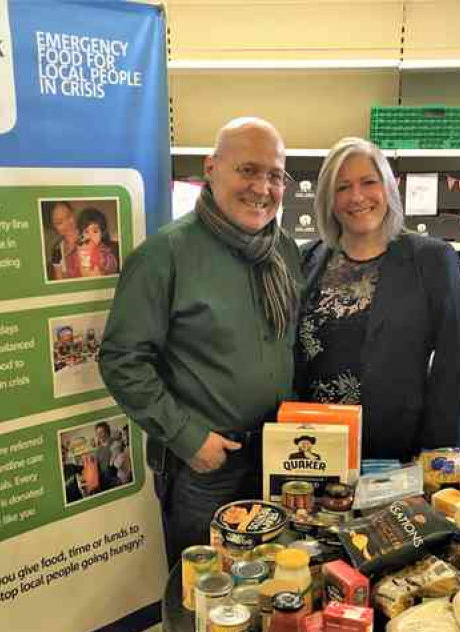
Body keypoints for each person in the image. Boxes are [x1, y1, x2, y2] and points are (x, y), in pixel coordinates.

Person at [99, 116, 302, 569]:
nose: (262, 187)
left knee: (270, 586)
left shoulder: (283, 251)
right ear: (211, 168)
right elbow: (121, 360)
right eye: (247, 170)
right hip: (205, 467)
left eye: (274, 175)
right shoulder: (163, 256)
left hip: (278, 459)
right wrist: (187, 437)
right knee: (203, 599)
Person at [295, 137, 460, 461]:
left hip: (395, 449)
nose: (357, 196)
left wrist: (435, 452)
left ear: (388, 188)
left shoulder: (433, 260)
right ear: (328, 200)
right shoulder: (306, 259)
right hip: (314, 448)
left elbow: (453, 364)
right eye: (342, 187)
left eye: (368, 182)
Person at [73, 207, 120, 277]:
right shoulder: (80, 249)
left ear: (102, 233)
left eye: (95, 231)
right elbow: (74, 269)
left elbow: (113, 266)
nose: (90, 235)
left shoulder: (104, 250)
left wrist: (101, 259)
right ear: (81, 234)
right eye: (86, 231)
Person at [46, 201, 81, 280]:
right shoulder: (56, 250)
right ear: (54, 227)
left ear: (74, 213)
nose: (67, 224)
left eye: (68, 216)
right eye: (59, 222)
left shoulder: (90, 238)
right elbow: (60, 281)